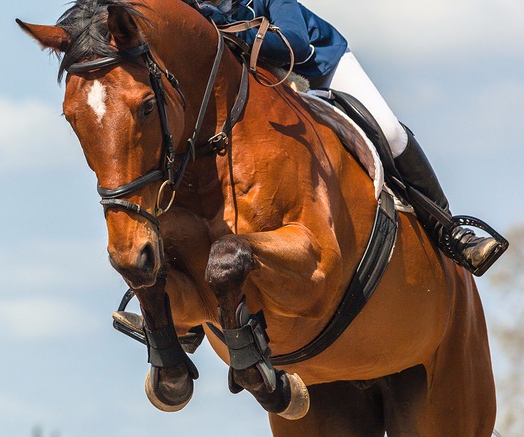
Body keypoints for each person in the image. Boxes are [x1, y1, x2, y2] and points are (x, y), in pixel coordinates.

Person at [198, 0, 504, 275]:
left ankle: (452, 233)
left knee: (390, 132)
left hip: (320, 69)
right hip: (264, 92)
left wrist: (231, 28)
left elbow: (296, 45)